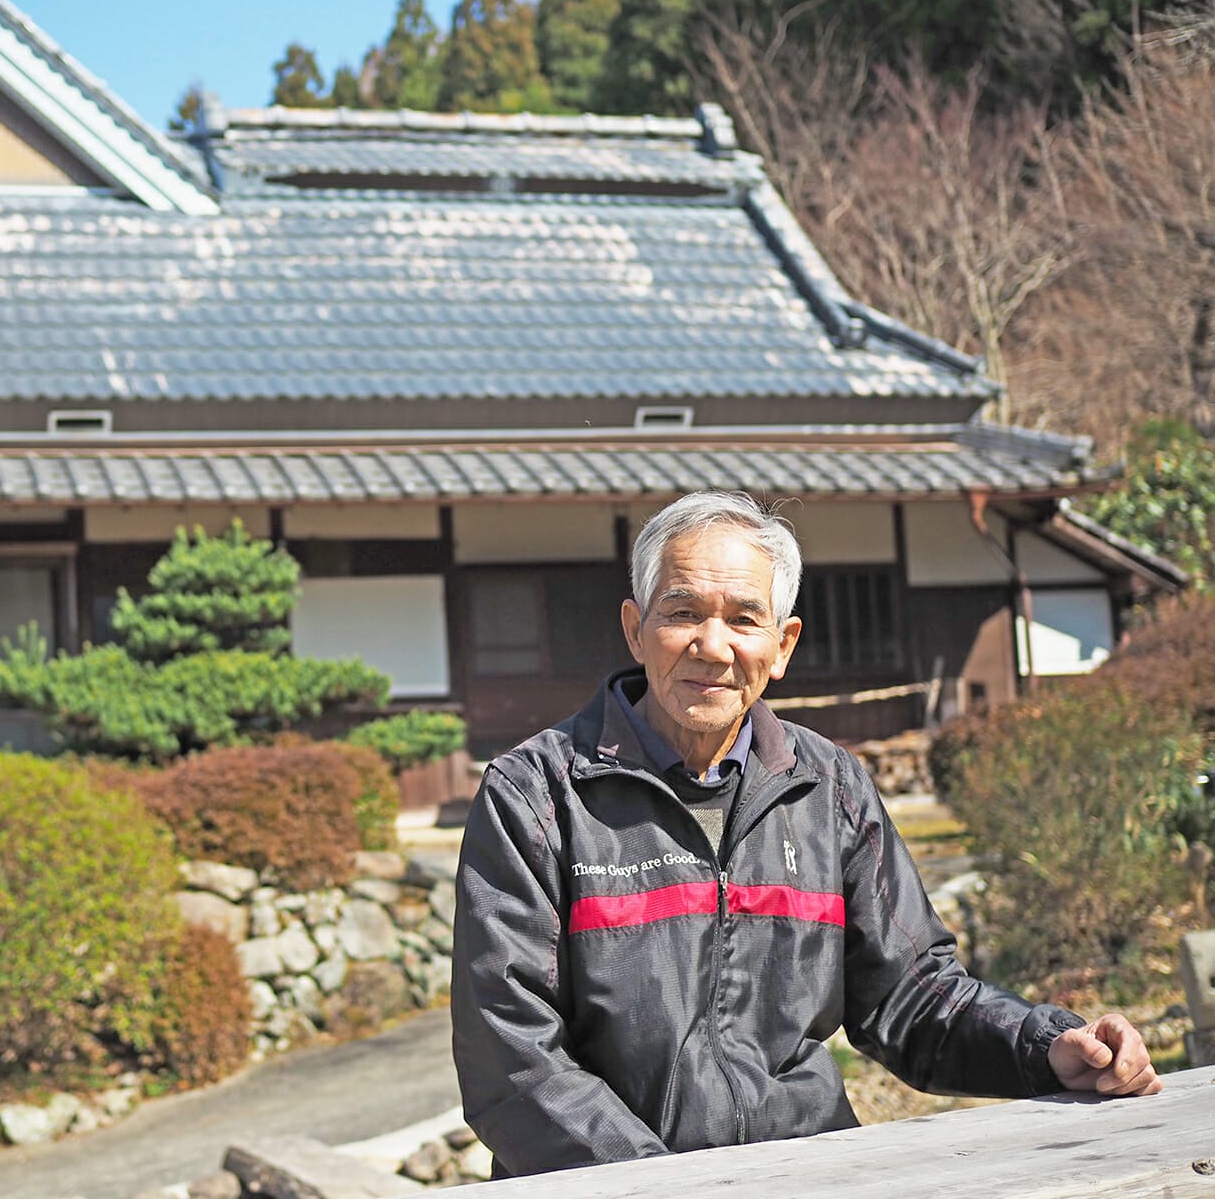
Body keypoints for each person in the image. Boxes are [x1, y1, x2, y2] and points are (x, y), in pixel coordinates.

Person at [450, 490, 1162, 1180]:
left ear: (782, 644)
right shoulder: (537, 796)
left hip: (807, 1175)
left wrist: (1048, 1049)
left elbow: (912, 997)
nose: (712, 645)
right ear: (635, 629)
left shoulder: (829, 790)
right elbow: (511, 1057)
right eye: (683, 612)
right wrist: (661, 1186)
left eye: (743, 619)